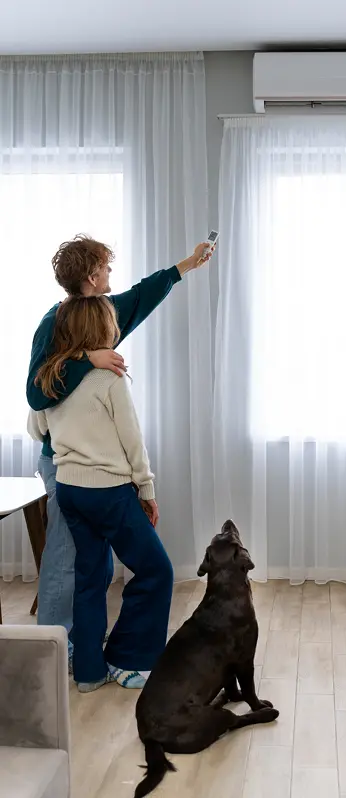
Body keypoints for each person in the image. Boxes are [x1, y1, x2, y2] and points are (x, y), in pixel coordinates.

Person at [26, 234, 213, 671]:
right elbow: (37, 394)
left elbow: (142, 295)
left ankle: (86, 655)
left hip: (96, 468)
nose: (112, 274)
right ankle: (54, 651)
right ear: (92, 277)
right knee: (66, 560)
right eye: (107, 268)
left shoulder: (103, 314)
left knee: (92, 569)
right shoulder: (54, 324)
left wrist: (185, 265)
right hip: (67, 464)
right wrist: (87, 359)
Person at [28, 294, 172, 692]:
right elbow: (132, 440)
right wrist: (147, 488)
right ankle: (130, 661)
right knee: (157, 570)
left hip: (70, 489)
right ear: (102, 331)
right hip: (109, 492)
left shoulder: (50, 378)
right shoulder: (109, 379)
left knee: (91, 579)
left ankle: (89, 672)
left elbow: (36, 429)